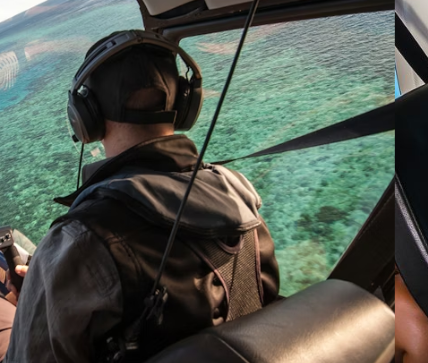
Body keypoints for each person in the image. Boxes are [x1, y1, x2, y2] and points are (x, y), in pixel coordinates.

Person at [3, 30, 280, 362]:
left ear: (85, 117)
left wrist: (36, 306)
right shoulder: (239, 190)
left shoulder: (81, 240)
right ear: (184, 103)